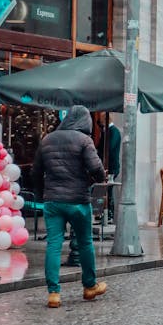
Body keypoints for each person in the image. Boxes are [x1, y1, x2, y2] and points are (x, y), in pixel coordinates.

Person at [32, 105, 107, 308]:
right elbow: (96, 167)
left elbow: (36, 172)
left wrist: (41, 196)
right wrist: (99, 178)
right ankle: (90, 286)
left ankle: (54, 293)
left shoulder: (47, 139)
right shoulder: (84, 140)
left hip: (53, 202)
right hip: (78, 201)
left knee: (54, 245)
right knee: (85, 243)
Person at [97, 115, 121, 221]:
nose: (101, 128)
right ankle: (105, 213)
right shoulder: (107, 132)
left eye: (101, 125)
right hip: (108, 166)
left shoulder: (114, 132)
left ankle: (109, 214)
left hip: (111, 167)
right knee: (105, 190)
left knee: (108, 190)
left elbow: (109, 148)